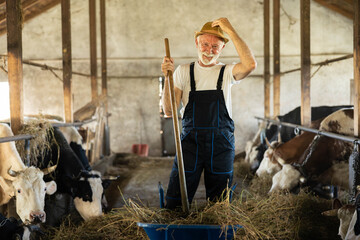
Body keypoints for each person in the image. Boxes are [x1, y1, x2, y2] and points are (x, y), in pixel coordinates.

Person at [161, 18, 256, 209]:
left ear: (221, 49)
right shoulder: (183, 71)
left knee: (220, 204)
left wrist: (230, 29)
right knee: (176, 199)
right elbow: (169, 110)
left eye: (215, 46)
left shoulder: (227, 72)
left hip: (221, 144)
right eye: (205, 44)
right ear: (197, 43)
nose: (209, 50)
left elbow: (250, 64)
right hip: (190, 143)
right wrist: (167, 78)